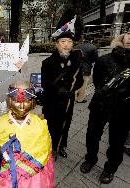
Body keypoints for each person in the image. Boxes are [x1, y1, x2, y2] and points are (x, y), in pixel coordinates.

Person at [80, 30, 130, 184]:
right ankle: (90, 159)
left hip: (124, 109)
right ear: (122, 37)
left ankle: (110, 169)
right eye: (129, 34)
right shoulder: (104, 60)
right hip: (100, 105)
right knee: (92, 134)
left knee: (117, 141)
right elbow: (97, 82)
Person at [0, 81, 54, 188]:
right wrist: (6, 158)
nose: (21, 105)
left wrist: (21, 165)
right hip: (6, 172)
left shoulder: (40, 124)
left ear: (33, 102)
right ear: (10, 101)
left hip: (32, 173)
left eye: (26, 101)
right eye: (17, 101)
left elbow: (43, 149)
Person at [41, 27, 84, 159]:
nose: (66, 44)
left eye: (69, 42)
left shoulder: (76, 62)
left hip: (67, 100)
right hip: (51, 100)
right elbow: (43, 81)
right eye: (63, 41)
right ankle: (50, 147)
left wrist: (71, 90)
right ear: (57, 43)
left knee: (66, 123)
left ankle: (61, 146)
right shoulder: (47, 62)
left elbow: (80, 80)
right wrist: (57, 89)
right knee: (50, 124)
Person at [75, 36, 98, 103]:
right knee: (83, 84)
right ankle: (79, 99)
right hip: (86, 69)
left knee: (76, 83)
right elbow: (95, 59)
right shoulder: (93, 47)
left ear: (84, 40)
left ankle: (74, 97)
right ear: (91, 40)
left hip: (76, 68)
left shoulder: (77, 46)